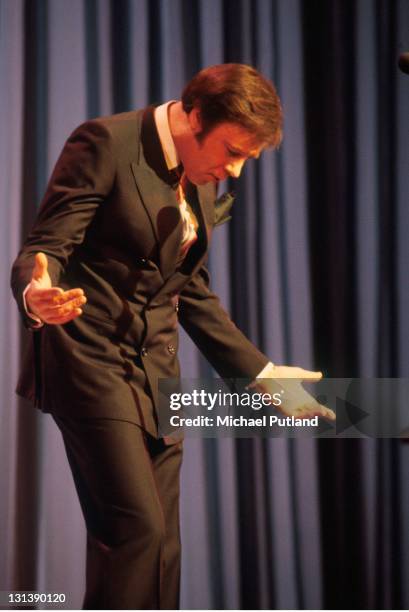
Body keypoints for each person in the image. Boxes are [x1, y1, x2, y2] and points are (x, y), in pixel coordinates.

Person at [11, 63, 335, 609]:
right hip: (91, 363)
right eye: (232, 151)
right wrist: (36, 291)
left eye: (246, 160)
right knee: (136, 531)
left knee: (164, 545)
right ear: (195, 117)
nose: (233, 170)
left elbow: (191, 294)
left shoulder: (200, 180)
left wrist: (262, 374)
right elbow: (46, 247)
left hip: (157, 374)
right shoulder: (105, 143)